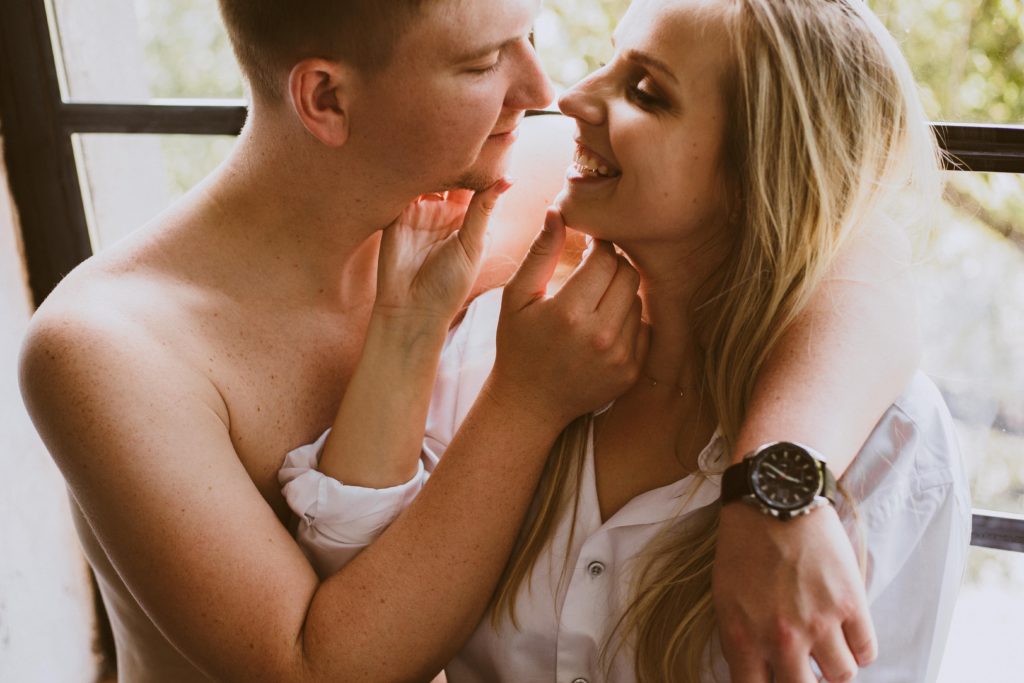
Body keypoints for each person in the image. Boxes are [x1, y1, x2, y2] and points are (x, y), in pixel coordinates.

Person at [18, 0, 931, 681]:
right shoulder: (112, 350)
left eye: (530, 34)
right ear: (325, 96)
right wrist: (526, 400)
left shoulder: (525, 184)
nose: (546, 91)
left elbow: (849, 238)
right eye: (486, 60)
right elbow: (317, 671)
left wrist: (776, 479)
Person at [280, 0, 971, 681]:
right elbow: (369, 612)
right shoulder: (508, 342)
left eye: (646, 91)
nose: (572, 99)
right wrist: (408, 325)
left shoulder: (892, 448)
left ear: (757, 171)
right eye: (608, 60)